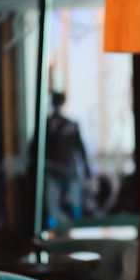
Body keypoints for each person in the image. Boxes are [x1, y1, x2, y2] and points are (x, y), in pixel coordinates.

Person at [43, 91, 91, 230]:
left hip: (68, 172)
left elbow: (80, 149)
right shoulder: (47, 126)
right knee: (53, 209)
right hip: (53, 172)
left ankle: (74, 234)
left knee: (73, 207)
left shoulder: (70, 125)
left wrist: (86, 170)